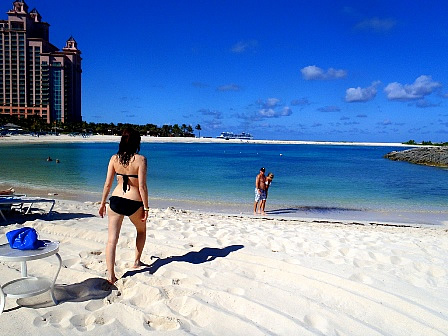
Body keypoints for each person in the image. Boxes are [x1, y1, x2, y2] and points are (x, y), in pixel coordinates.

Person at [99, 128, 149, 284]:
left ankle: (111, 276)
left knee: (111, 240)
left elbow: (107, 184)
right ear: (137, 142)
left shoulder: (114, 159)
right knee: (141, 231)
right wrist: (146, 207)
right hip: (134, 201)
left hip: (115, 200)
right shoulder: (141, 160)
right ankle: (136, 261)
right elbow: (142, 187)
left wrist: (102, 203)